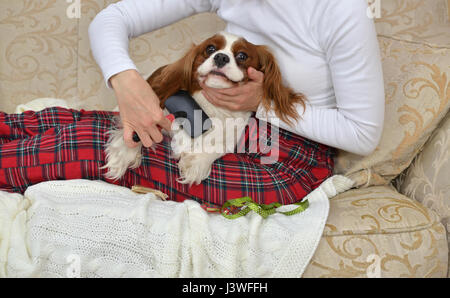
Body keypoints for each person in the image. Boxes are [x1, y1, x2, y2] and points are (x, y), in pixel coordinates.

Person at [0, 0, 384, 210]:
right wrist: (128, 83)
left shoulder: (343, 10)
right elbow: (112, 18)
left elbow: (363, 134)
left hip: (282, 156)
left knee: (87, 146)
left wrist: (261, 103)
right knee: (75, 121)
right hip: (207, 116)